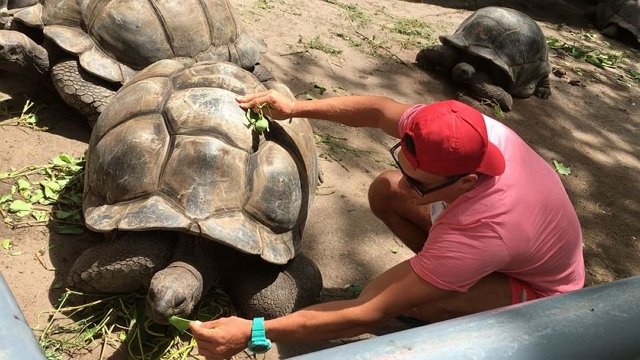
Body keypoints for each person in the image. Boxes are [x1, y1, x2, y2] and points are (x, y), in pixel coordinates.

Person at [189, 91, 585, 359]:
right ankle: (435, 277)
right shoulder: (457, 131)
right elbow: (380, 111)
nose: (408, 180)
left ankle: (440, 293)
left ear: (465, 181)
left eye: (420, 182)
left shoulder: (485, 230)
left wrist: (254, 332)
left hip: (542, 295)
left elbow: (368, 310)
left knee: (425, 300)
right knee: (387, 190)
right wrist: (294, 107)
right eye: (403, 160)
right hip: (500, 245)